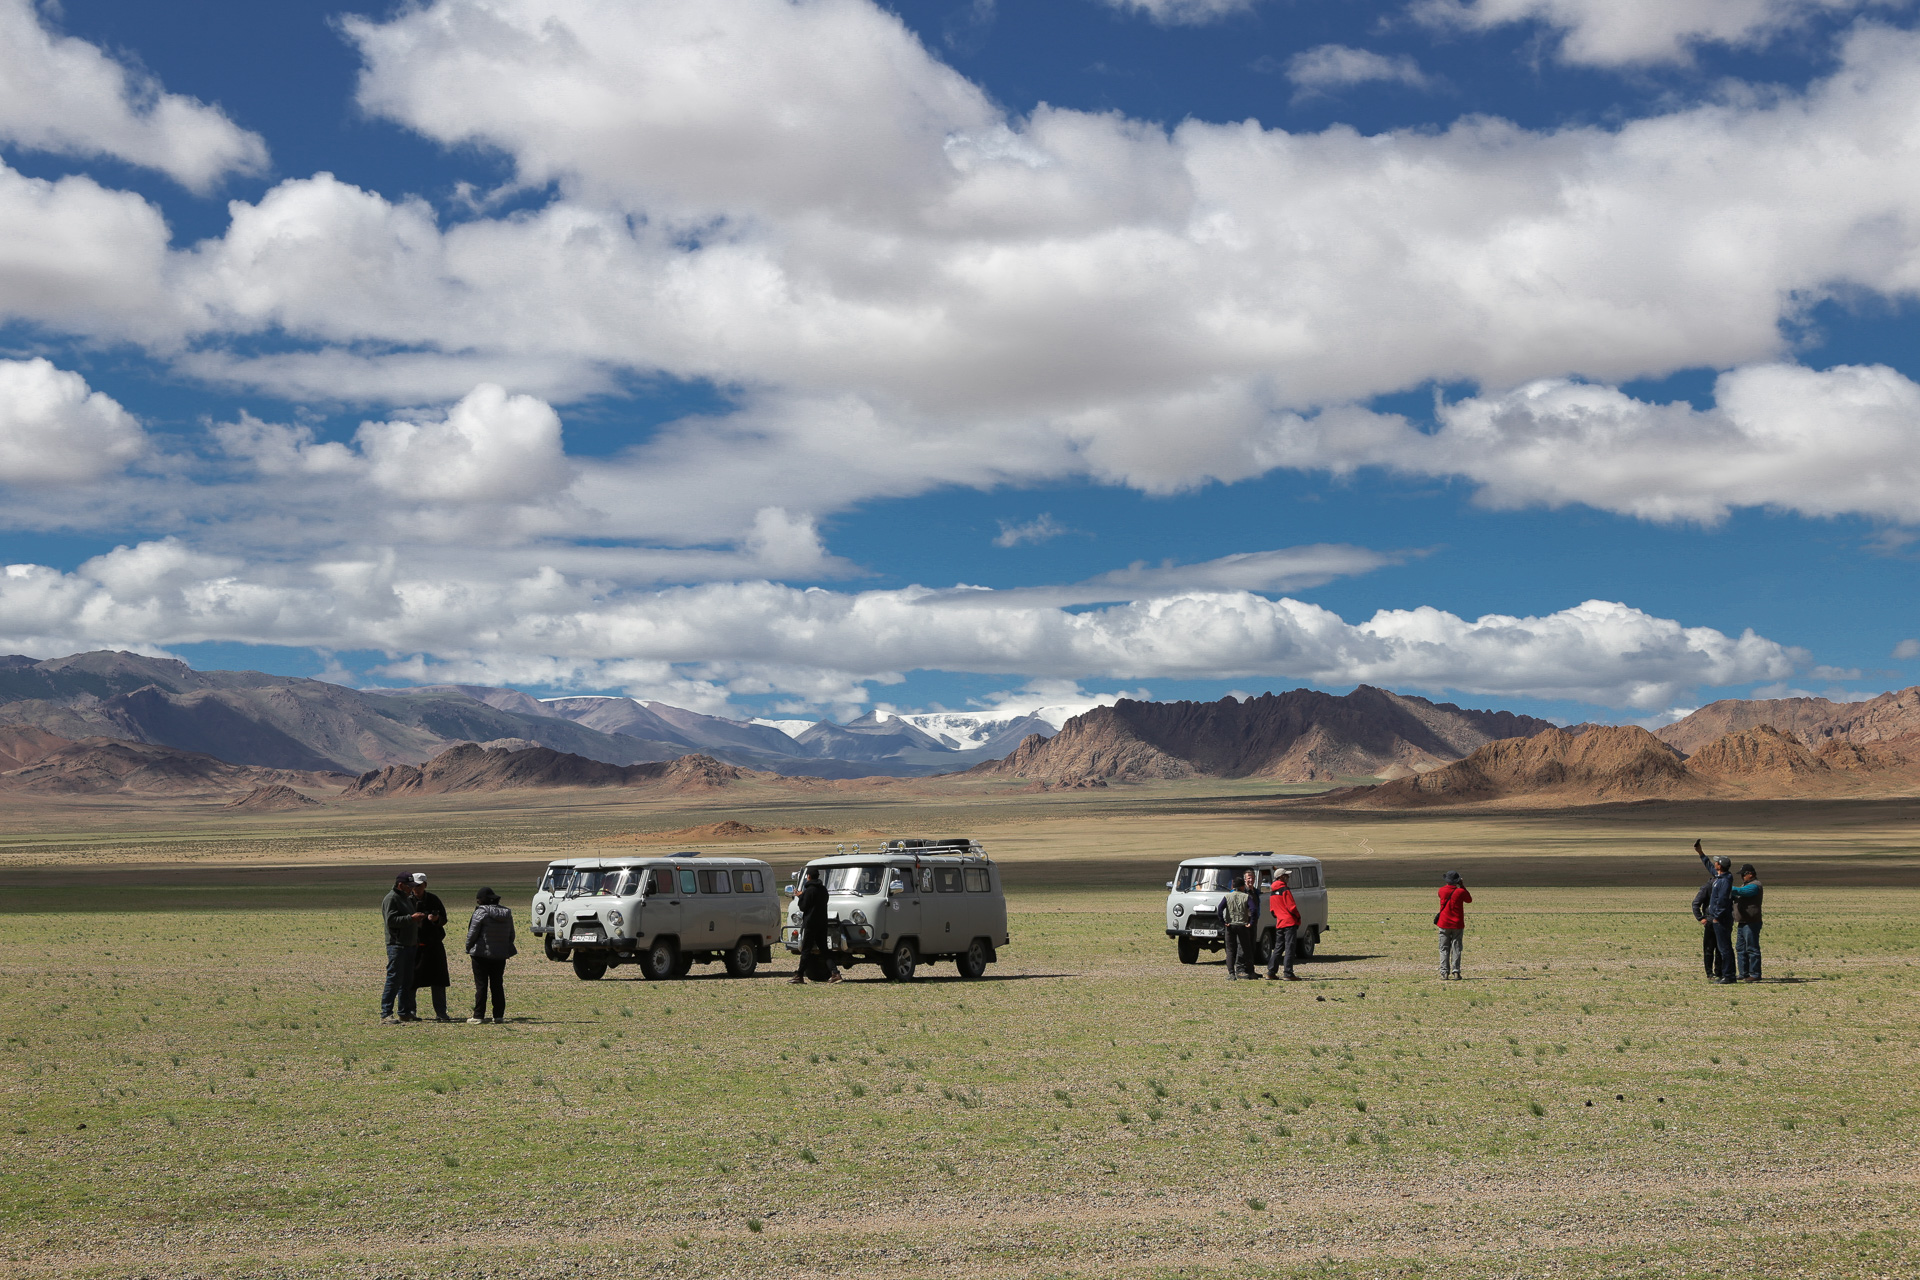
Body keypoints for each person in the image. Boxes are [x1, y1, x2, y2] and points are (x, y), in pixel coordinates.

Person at [465, 886, 517, 1023]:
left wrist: (468, 947)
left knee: (481, 985)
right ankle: (498, 1015)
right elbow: (511, 935)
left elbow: (472, 933)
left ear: (481, 900)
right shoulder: (506, 913)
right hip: (500, 954)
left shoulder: (480, 912)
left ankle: (478, 1016)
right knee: (497, 984)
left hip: (480, 954)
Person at [381, 872, 427, 1023]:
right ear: (400, 885)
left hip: (409, 944)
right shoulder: (391, 898)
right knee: (394, 979)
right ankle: (386, 1013)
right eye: (409, 887)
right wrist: (411, 918)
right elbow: (391, 921)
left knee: (407, 980)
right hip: (397, 944)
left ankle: (405, 1012)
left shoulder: (406, 899)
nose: (411, 890)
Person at [408, 872, 453, 1022]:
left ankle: (441, 1013)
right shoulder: (407, 900)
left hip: (434, 945)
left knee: (438, 980)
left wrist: (436, 919)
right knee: (411, 980)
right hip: (415, 945)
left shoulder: (434, 899)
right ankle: (410, 1011)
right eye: (413, 886)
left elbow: (444, 919)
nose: (416, 889)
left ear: (425, 885)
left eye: (419, 886)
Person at [1695, 839, 1735, 984]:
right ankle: (1727, 974)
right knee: (1723, 948)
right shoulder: (1720, 876)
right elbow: (1709, 867)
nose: (1715, 863)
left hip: (1721, 919)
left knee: (1724, 948)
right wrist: (1700, 853)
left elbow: (1723, 900)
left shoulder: (1724, 880)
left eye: (1716, 862)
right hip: (1717, 918)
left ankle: (1729, 975)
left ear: (1720, 866)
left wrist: (1716, 916)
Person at [791, 869, 840, 984]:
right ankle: (835, 973)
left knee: (806, 949)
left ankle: (799, 975)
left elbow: (803, 907)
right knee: (824, 949)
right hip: (822, 923)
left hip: (810, 923)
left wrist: (800, 896)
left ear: (808, 876)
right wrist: (804, 895)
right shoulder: (823, 890)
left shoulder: (809, 890)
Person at [1265, 867, 1301, 981]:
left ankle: (1271, 972)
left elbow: (1272, 910)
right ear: (1281, 877)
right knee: (1290, 947)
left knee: (1278, 948)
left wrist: (1280, 915)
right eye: (1286, 876)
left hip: (1280, 922)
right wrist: (1298, 917)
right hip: (1289, 922)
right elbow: (1292, 907)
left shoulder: (1272, 891)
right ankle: (1288, 973)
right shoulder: (1285, 889)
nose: (1288, 878)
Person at [1731, 862, 1764, 982]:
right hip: (1743, 922)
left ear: (1751, 874)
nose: (1742, 877)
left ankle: (1755, 974)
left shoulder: (1755, 885)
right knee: (1740, 948)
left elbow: (1742, 892)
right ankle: (1743, 973)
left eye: (1744, 874)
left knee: (1752, 948)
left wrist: (1726, 887)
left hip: (1751, 922)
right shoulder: (1746, 884)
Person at [1221, 872, 1257, 979]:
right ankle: (1250, 972)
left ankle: (1231, 973)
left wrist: (1223, 921)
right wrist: (1251, 922)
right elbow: (1253, 910)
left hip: (1230, 925)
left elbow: (1219, 909)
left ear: (1233, 886)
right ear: (1242, 886)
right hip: (1242, 925)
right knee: (1247, 949)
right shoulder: (1246, 896)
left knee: (1230, 950)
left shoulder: (1227, 896)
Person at [1436, 871, 1471, 980]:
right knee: (1456, 948)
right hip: (1457, 924)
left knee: (1444, 948)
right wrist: (1462, 885)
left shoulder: (1441, 890)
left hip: (1444, 923)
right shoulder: (1460, 892)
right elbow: (1469, 900)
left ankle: (1444, 972)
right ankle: (1456, 972)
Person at [1690, 876, 1723, 980]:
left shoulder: (1724, 885)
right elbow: (1696, 903)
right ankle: (1709, 973)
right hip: (1710, 921)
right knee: (1709, 949)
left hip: (1722, 921)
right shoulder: (1707, 887)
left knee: (1721, 949)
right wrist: (1701, 918)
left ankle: (1719, 972)